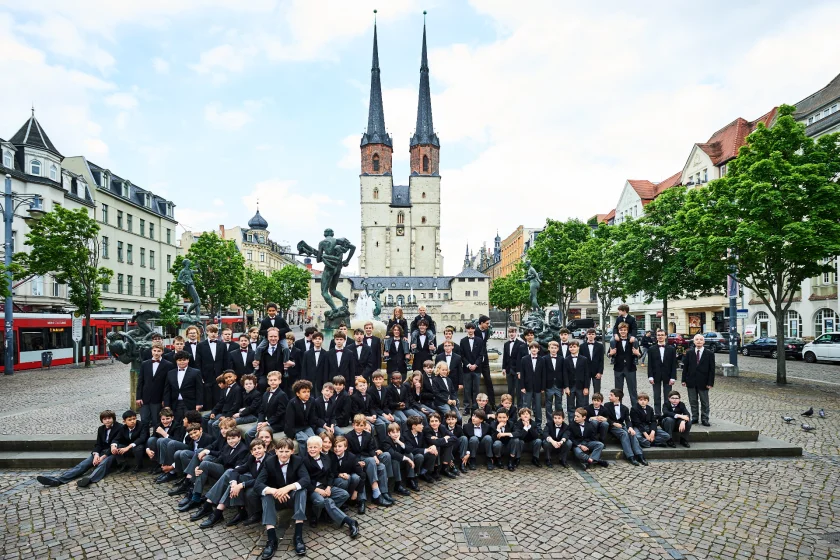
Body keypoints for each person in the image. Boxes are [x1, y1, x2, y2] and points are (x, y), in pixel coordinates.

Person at [36, 410, 122, 488]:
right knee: (83, 464)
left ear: (113, 418)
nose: (107, 420)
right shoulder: (101, 429)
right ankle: (59, 480)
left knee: (103, 464)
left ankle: (89, 479)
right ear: (102, 420)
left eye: (109, 418)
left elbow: (118, 443)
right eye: (105, 419)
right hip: (101, 451)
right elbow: (98, 444)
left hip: (113, 453)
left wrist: (103, 456)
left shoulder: (120, 427)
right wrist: (96, 455)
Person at [255, 438, 310, 557]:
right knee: (266, 496)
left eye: (286, 451)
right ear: (276, 451)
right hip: (276, 498)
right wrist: (276, 491)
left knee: (302, 491)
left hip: (291, 497)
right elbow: (258, 484)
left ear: (292, 451)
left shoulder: (298, 460)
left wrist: (287, 488)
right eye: (281, 451)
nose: (283, 454)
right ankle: (271, 539)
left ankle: (298, 536)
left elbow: (306, 480)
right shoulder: (269, 462)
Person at [301, 435, 360, 537]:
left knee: (344, 494)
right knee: (321, 501)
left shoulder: (326, 458)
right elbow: (304, 481)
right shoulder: (304, 460)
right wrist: (318, 491)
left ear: (320, 448)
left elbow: (330, 475)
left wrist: (329, 487)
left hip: (325, 486)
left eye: (315, 447)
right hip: (313, 489)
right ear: (307, 448)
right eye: (310, 447)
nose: (312, 449)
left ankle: (327, 513)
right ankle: (349, 522)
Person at [346, 414, 393, 507]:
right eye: (357, 425)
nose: (359, 428)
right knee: (367, 466)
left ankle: (383, 492)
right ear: (353, 425)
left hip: (366, 457)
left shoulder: (367, 435)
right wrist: (357, 463)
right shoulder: (348, 436)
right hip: (355, 460)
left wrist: (375, 456)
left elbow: (371, 449)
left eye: (362, 425)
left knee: (381, 466)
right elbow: (349, 453)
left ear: (364, 426)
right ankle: (364, 499)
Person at [136, 341, 173, 431]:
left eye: (158, 351)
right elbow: (140, 381)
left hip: (158, 398)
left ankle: (155, 440)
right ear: (151, 351)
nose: (156, 353)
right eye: (154, 350)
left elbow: (167, 385)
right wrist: (138, 397)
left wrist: (165, 399)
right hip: (145, 398)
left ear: (162, 352)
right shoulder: (145, 364)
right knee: (144, 420)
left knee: (156, 421)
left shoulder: (168, 365)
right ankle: (144, 440)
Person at [606, 388, 645, 467]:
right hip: (612, 427)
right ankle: (630, 456)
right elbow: (606, 418)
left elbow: (627, 420)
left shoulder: (625, 408)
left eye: (611, 395)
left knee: (632, 433)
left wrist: (630, 427)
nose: (609, 397)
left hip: (622, 426)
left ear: (617, 397)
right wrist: (613, 423)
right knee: (624, 434)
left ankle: (640, 455)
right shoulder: (607, 405)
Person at [163, 350, 204, 426]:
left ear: (188, 360)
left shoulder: (195, 372)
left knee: (190, 423)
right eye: (179, 360)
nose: (182, 362)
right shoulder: (170, 373)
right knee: (176, 424)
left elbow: (199, 389)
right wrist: (167, 405)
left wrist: (199, 403)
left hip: (190, 403)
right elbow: (167, 390)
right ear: (176, 361)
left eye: (184, 360)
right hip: (175, 403)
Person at [682, 333, 715, 426]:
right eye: (697, 339)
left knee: (704, 401)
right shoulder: (689, 353)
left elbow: (712, 370)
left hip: (704, 382)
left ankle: (705, 418)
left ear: (704, 341)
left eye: (701, 339)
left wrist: (710, 382)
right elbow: (685, 367)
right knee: (693, 401)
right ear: (694, 341)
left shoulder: (709, 353)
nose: (699, 341)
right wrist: (683, 380)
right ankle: (695, 417)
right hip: (691, 381)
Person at [285, 379, 323, 455]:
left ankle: (315, 457)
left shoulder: (311, 400)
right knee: (304, 439)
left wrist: (312, 428)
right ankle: (303, 459)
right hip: (295, 428)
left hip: (306, 426)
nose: (307, 394)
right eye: (304, 392)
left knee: (313, 439)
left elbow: (312, 417)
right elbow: (289, 421)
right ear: (297, 394)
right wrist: (291, 435)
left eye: (308, 391)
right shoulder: (292, 403)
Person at [196, 324, 229, 410]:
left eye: (215, 332)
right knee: (207, 397)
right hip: (206, 374)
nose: (213, 334)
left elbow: (225, 360)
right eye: (211, 332)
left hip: (220, 374)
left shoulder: (222, 345)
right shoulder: (200, 345)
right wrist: (200, 375)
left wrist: (225, 374)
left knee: (219, 396)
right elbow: (198, 362)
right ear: (207, 332)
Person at [647, 328, 678, 416]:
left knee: (668, 397)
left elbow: (673, 364)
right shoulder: (652, 349)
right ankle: (657, 414)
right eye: (658, 335)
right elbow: (650, 364)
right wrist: (650, 376)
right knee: (656, 396)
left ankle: (666, 413)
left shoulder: (671, 349)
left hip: (668, 376)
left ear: (665, 336)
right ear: (656, 337)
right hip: (656, 375)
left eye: (662, 335)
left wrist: (673, 377)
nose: (660, 337)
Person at [248, 371, 288, 439]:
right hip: (264, 422)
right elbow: (261, 410)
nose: (273, 382)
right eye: (271, 380)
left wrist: (267, 423)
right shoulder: (266, 394)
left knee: (259, 434)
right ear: (268, 382)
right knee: (248, 434)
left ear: (280, 381)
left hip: (276, 424)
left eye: (275, 380)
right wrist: (260, 422)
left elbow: (280, 413)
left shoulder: (282, 395)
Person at [609, 323, 640, 406]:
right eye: (621, 330)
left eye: (625, 330)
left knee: (633, 391)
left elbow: (639, 354)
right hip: (618, 368)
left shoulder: (633, 341)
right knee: (618, 392)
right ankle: (618, 411)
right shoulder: (614, 341)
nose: (623, 331)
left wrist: (638, 354)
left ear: (627, 331)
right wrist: (610, 354)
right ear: (618, 331)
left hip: (631, 369)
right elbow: (609, 353)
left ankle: (635, 410)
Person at [459, 322, 485, 415]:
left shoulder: (479, 340)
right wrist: (468, 365)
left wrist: (475, 365)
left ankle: (475, 407)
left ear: (474, 329)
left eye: (472, 329)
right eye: (468, 329)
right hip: (466, 369)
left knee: (476, 389)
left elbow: (481, 355)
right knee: (467, 389)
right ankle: (466, 408)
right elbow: (462, 355)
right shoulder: (463, 341)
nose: (470, 330)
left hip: (477, 369)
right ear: (466, 330)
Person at [518, 342, 545, 426]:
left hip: (538, 386)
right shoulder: (524, 359)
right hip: (527, 386)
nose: (534, 349)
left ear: (538, 349)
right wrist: (522, 386)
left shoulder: (542, 359)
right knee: (526, 405)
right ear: (529, 349)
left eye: (536, 348)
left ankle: (538, 424)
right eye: (532, 348)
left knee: (537, 406)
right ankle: (525, 423)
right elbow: (522, 374)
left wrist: (543, 387)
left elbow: (544, 375)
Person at [564, 340, 590, 420]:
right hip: (570, 386)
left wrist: (586, 387)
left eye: (574, 347)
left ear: (578, 348)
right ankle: (572, 423)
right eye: (570, 347)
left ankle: (580, 422)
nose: (572, 348)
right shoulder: (566, 360)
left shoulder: (584, 359)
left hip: (581, 386)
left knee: (581, 405)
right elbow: (565, 374)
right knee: (570, 406)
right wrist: (566, 387)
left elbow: (586, 374)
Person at [254, 327, 285, 392]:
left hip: (280, 377)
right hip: (265, 377)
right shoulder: (261, 350)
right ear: (267, 337)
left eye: (275, 336)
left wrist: (292, 363)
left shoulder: (283, 349)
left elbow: (292, 360)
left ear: (278, 337)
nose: (273, 338)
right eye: (271, 336)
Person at [542, 340, 565, 422]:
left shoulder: (561, 359)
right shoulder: (544, 359)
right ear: (549, 348)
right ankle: (550, 421)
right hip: (549, 384)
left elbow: (563, 373)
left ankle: (559, 419)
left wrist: (564, 385)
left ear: (558, 349)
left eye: (555, 348)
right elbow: (543, 373)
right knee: (548, 404)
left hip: (559, 385)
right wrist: (543, 386)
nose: (553, 350)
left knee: (558, 403)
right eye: (552, 348)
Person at [475, 315, 495, 408]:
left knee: (489, 381)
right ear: (481, 323)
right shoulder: (474, 331)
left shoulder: (486, 331)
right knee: (475, 383)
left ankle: (493, 403)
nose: (488, 325)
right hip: (476, 360)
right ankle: (475, 404)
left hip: (485, 359)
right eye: (487, 323)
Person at [502, 326, 527, 400]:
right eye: (510, 332)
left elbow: (521, 359)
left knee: (519, 390)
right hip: (509, 370)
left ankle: (520, 407)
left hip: (517, 370)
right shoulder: (506, 344)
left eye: (513, 332)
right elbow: (505, 357)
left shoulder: (521, 344)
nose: (511, 334)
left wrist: (520, 371)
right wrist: (503, 368)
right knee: (510, 390)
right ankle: (510, 406)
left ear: (516, 333)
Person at [579, 328, 605, 395]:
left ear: (595, 335)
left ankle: (597, 404)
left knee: (597, 391)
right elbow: (580, 361)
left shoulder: (600, 346)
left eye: (592, 334)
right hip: (585, 371)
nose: (591, 335)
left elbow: (601, 360)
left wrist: (600, 372)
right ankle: (585, 405)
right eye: (589, 334)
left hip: (596, 371)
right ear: (586, 335)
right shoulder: (581, 346)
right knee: (585, 390)